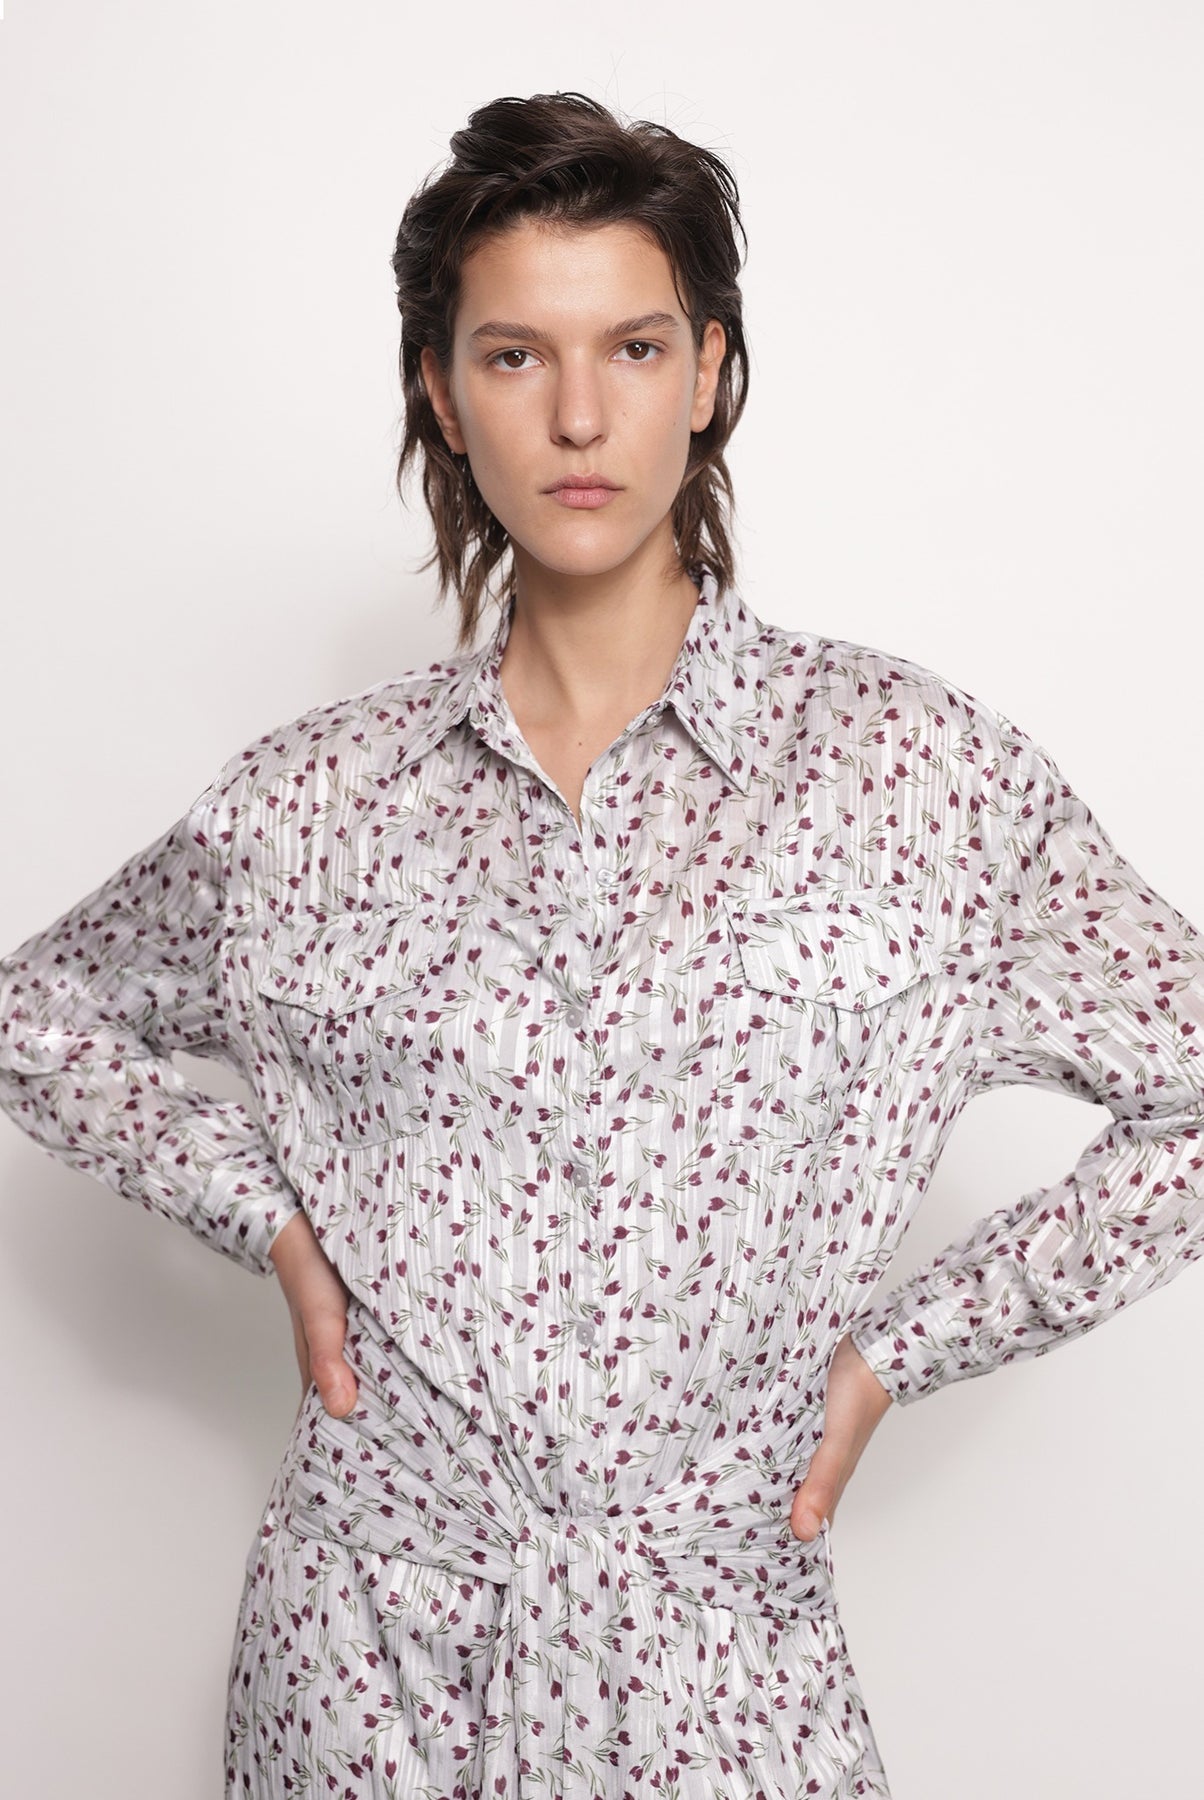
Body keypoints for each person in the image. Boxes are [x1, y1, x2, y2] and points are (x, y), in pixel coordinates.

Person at [1, 87, 1202, 1800]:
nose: (579, 415)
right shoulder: (308, 805)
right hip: (366, 1667)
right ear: (442, 391)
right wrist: (266, 1220)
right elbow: (37, 1015)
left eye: (632, 348)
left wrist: (896, 1357)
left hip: (719, 1660)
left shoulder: (914, 776)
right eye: (515, 356)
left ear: (707, 371)